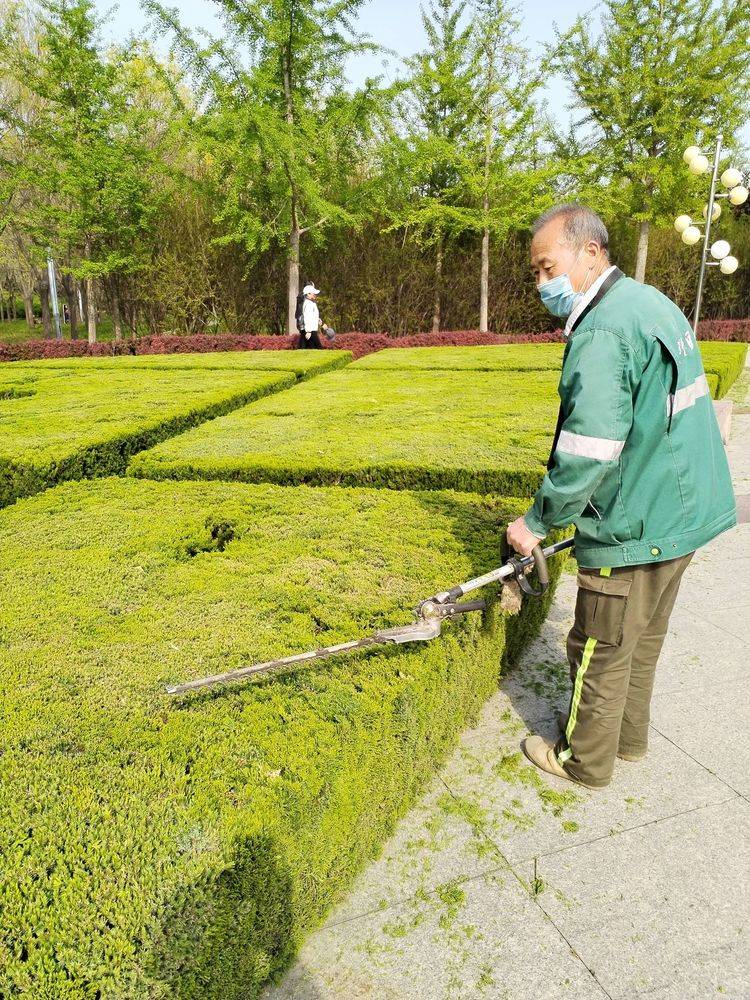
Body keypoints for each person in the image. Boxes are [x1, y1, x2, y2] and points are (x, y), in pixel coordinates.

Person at [507, 203, 736, 790]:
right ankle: (625, 739)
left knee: (597, 643)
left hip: (636, 520)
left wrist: (536, 521)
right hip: (683, 510)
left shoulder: (603, 329)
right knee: (641, 637)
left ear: (590, 252)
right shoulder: (647, 300)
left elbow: (590, 447)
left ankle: (582, 759)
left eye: (546, 266)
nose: (542, 283)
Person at [296, 284, 332, 349]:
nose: (315, 295)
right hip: (310, 331)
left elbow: (313, 316)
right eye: (314, 293)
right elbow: (307, 318)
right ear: (308, 294)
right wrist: (309, 331)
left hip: (309, 330)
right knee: (318, 348)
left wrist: (322, 324)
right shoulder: (308, 304)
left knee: (303, 349)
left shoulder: (311, 303)